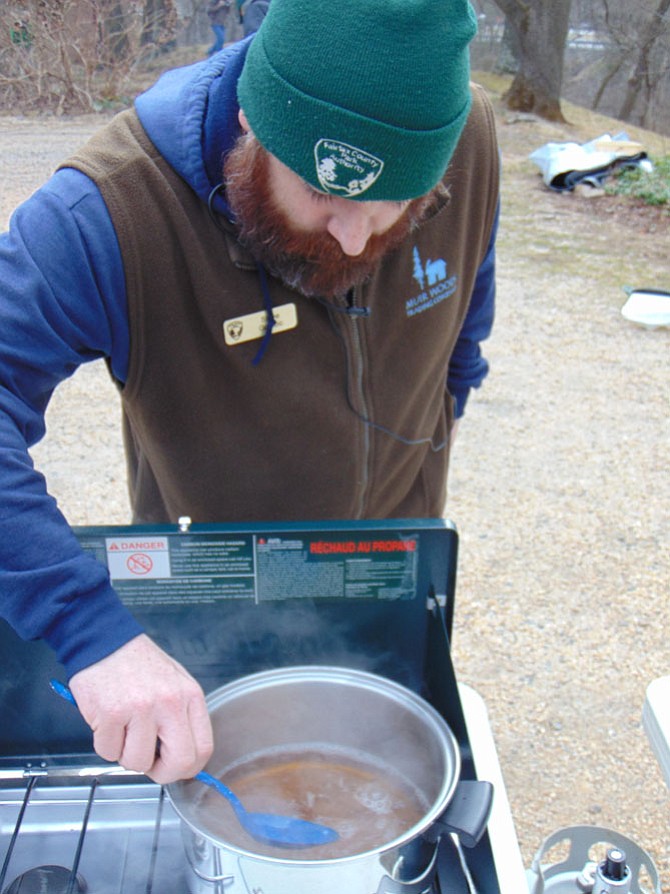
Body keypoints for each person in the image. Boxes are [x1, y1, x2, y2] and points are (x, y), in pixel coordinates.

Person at [0, 0, 500, 785]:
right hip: (212, 597)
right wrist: (88, 628)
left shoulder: (460, 139)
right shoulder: (111, 210)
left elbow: (467, 297)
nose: (354, 238)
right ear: (250, 121)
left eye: (393, 205)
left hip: (389, 565)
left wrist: (451, 405)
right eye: (324, 194)